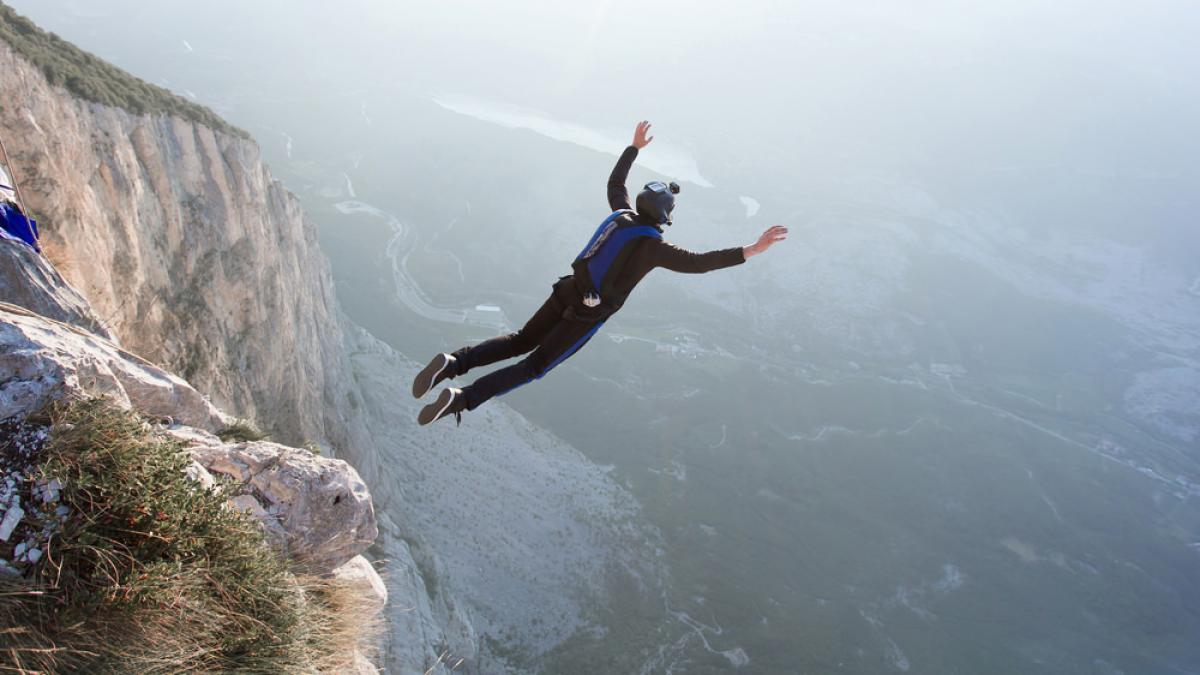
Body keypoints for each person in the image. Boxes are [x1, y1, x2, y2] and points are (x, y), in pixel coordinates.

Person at [413, 120, 788, 425]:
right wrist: (752, 250)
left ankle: (454, 363)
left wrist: (634, 148)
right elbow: (699, 262)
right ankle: (463, 399)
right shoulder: (653, 248)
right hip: (587, 313)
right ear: (664, 217)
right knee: (533, 366)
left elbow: (615, 184)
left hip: (567, 289)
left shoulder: (620, 214)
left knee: (518, 341)